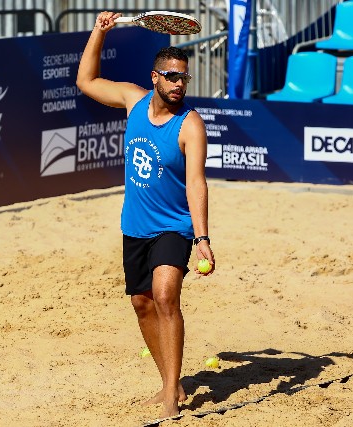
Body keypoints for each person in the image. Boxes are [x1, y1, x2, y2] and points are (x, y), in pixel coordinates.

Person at [76, 11, 215, 419]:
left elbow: (196, 184)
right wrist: (98, 33)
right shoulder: (133, 101)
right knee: (141, 303)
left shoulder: (190, 125)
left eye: (183, 78)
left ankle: (172, 395)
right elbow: (86, 81)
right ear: (154, 77)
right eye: (171, 76)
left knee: (165, 296)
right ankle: (170, 382)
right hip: (135, 225)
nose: (178, 84)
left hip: (174, 226)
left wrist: (202, 238)